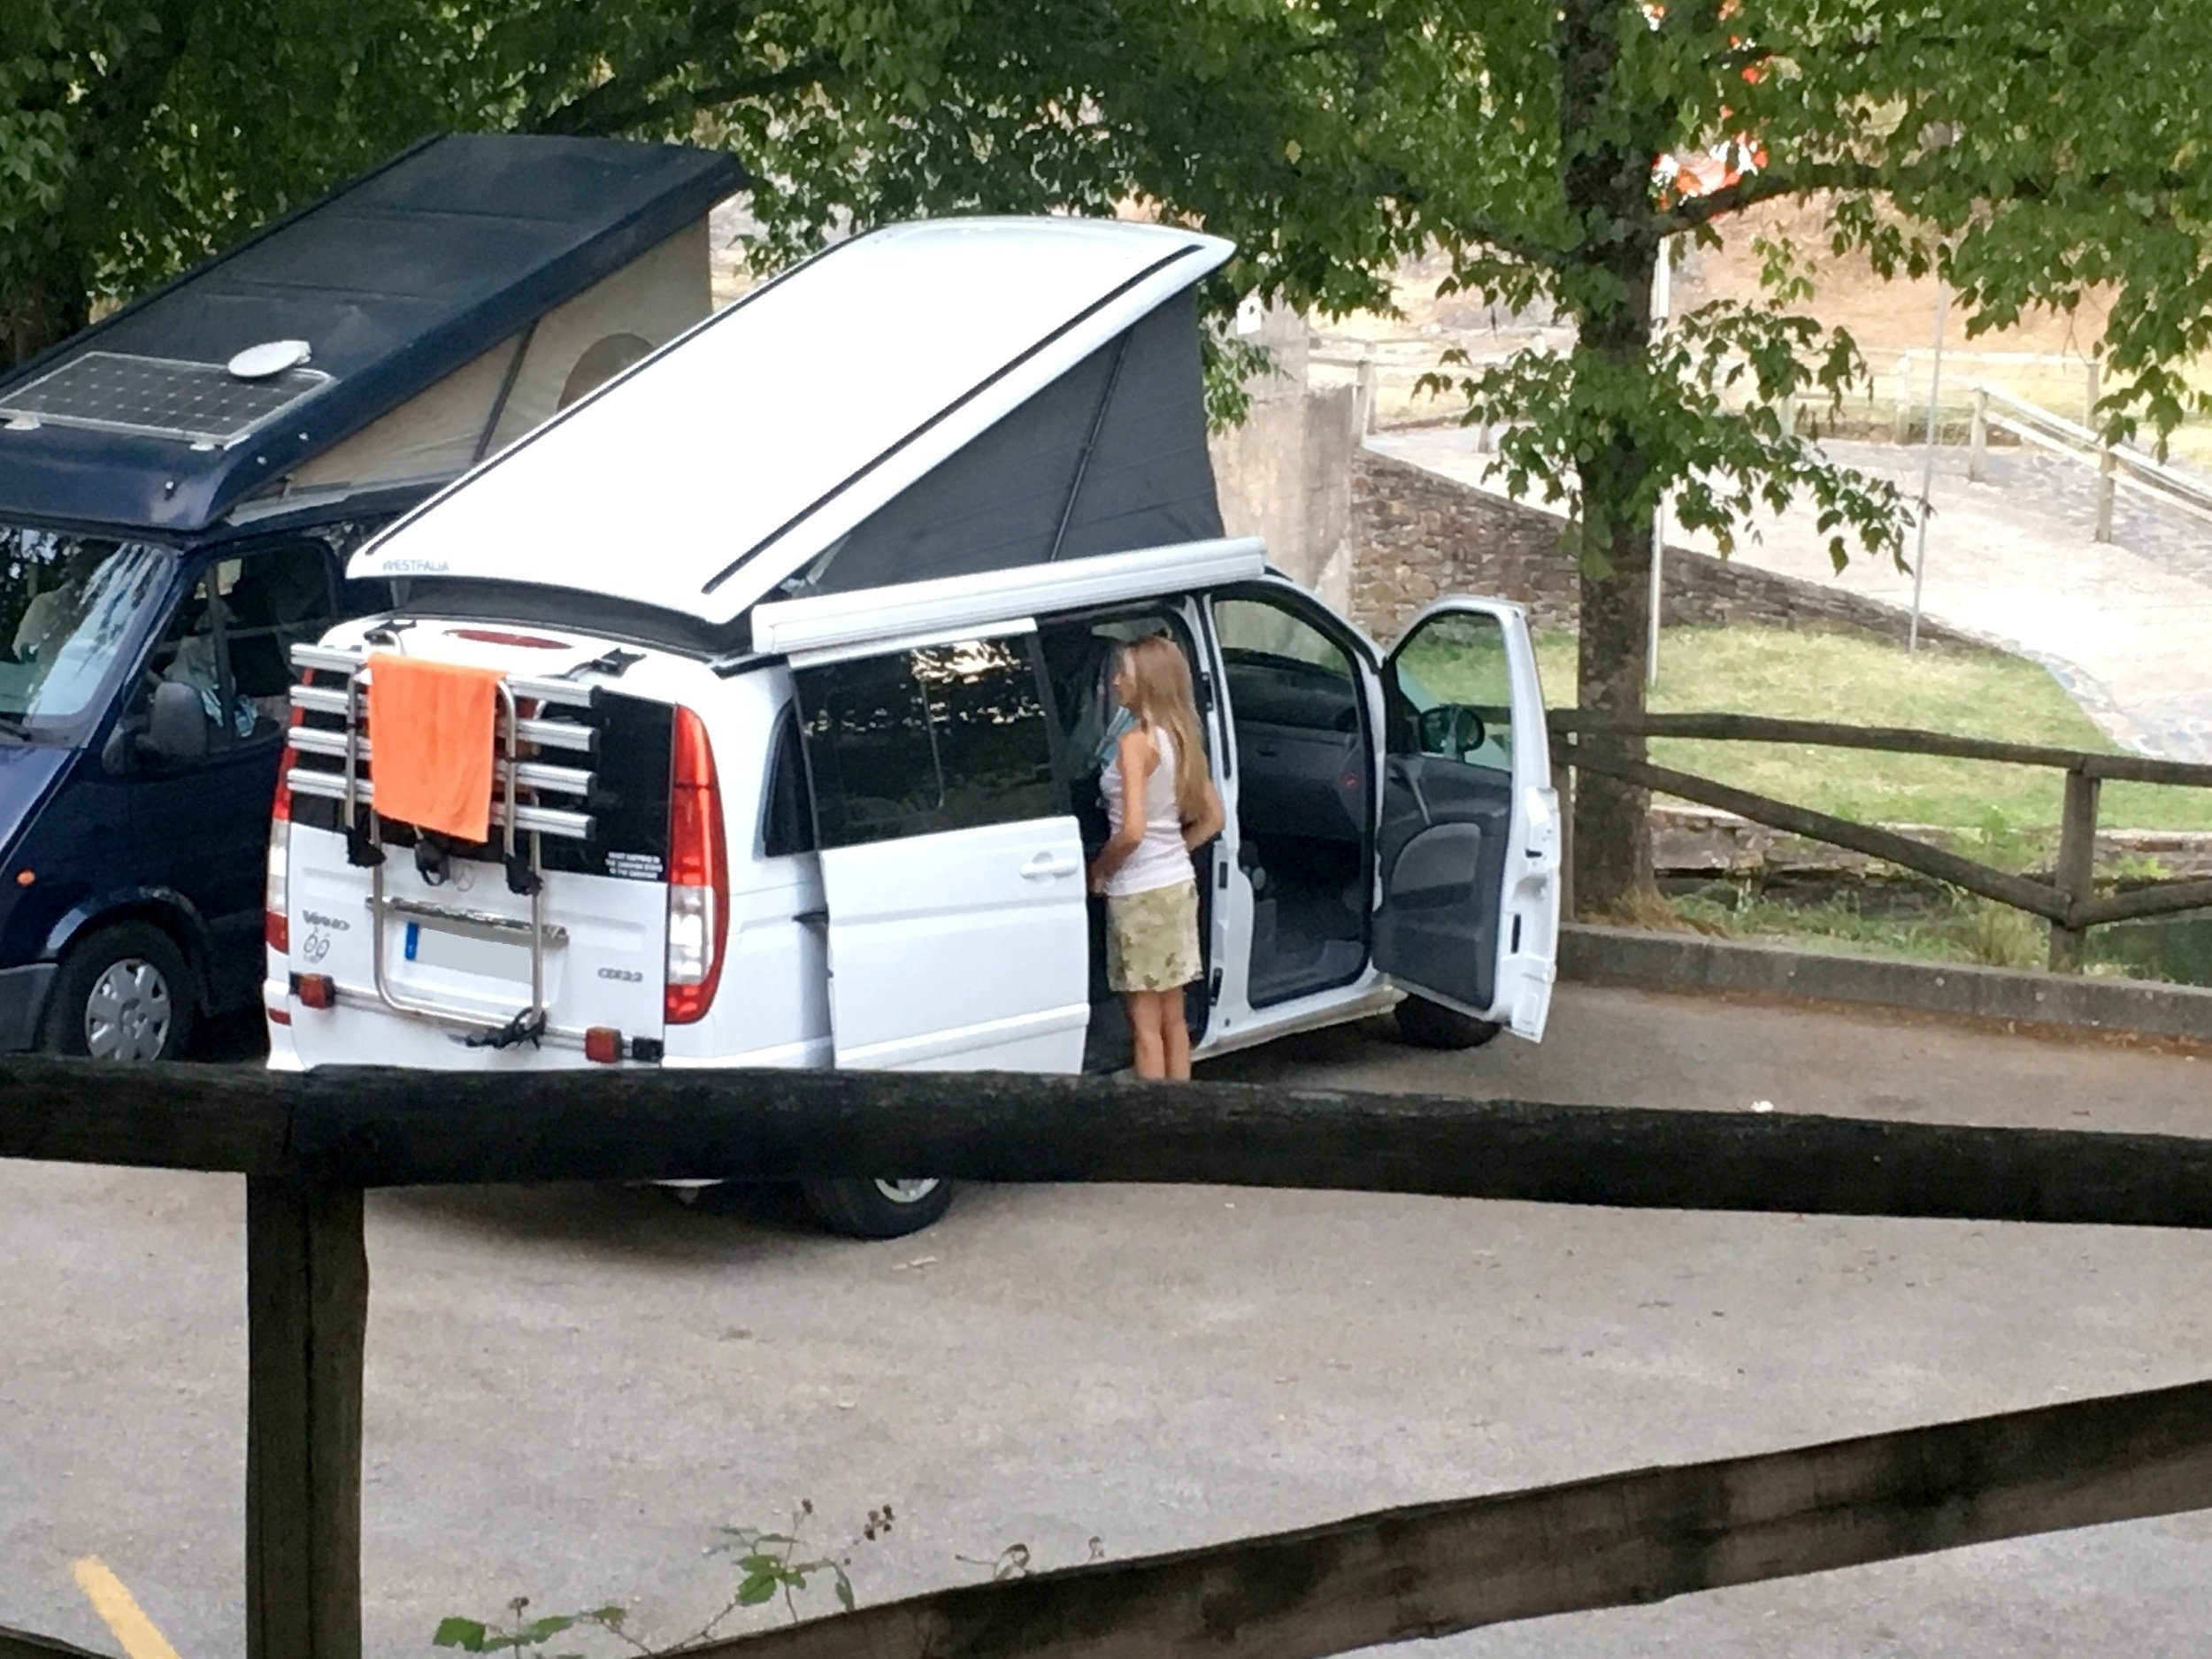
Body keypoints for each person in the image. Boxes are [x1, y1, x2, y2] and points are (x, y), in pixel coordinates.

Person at [1086, 635, 1225, 1081]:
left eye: (1123, 673)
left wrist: (1100, 870)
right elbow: (1214, 818)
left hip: (1138, 893)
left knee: (1144, 1027)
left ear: (1146, 682)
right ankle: (1182, 1110)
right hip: (1176, 885)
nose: (1115, 681)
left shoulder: (1135, 743)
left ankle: (1150, 1115)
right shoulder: (1182, 739)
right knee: (1174, 1020)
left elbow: (1131, 830)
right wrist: (1175, 850)